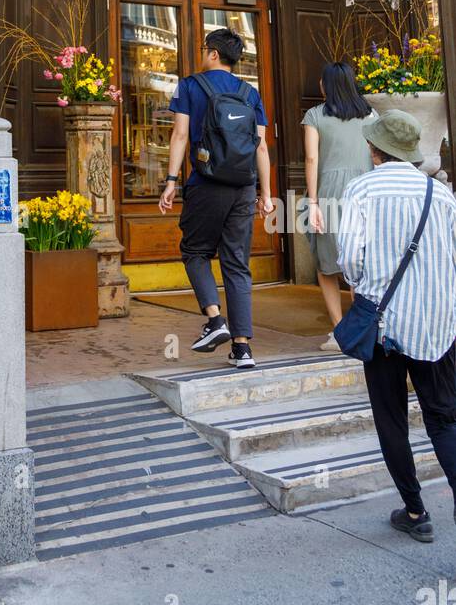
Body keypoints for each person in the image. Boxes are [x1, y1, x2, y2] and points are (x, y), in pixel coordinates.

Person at [338, 109, 456, 543]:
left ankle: (415, 510)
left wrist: (364, 285)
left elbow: (349, 258)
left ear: (374, 149)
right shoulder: (440, 194)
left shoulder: (362, 189)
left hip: (384, 325)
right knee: (444, 421)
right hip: (439, 325)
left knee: (392, 421)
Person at [158, 27, 274, 369]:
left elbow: (180, 135)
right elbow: (261, 146)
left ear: (212, 54)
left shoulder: (190, 86)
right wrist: (265, 194)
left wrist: (170, 181)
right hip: (243, 186)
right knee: (237, 263)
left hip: (206, 183)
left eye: (203, 48)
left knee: (194, 251)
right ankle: (242, 349)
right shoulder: (250, 93)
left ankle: (214, 319)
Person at [301, 62, 374, 352]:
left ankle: (339, 331)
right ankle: (362, 330)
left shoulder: (315, 115)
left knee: (327, 266)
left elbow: (311, 160)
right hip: (365, 193)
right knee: (362, 266)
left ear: (327, 85)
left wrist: (313, 202)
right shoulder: (372, 115)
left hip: (329, 193)